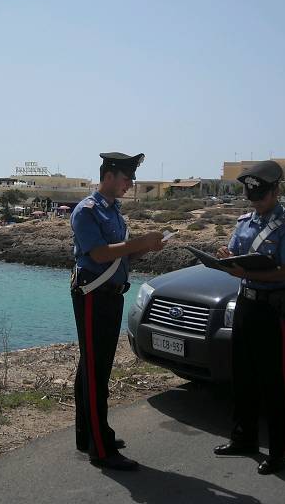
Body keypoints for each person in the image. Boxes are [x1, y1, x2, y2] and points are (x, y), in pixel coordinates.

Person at [70, 151, 166, 471]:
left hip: (111, 294)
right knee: (97, 373)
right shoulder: (87, 211)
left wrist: (145, 248)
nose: (130, 184)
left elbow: (118, 258)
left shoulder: (113, 211)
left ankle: (88, 435)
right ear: (108, 176)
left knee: (91, 367)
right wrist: (139, 242)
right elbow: (98, 254)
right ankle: (101, 447)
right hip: (93, 295)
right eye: (126, 178)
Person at [213, 160, 285, 475]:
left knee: (275, 382)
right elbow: (236, 257)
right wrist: (226, 261)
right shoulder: (244, 222)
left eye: (261, 195)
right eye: (252, 196)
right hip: (246, 305)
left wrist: (241, 270)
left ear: (276, 190)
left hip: (273, 309)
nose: (255, 201)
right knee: (244, 376)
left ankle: (279, 452)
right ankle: (244, 439)